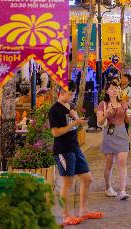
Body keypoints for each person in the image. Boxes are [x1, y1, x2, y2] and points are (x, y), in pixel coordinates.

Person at [49, 83, 104, 226]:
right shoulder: (54, 110)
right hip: (63, 150)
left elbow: (79, 125)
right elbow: (55, 132)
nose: (72, 95)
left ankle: (83, 210)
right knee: (68, 182)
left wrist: (77, 119)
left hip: (75, 148)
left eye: (73, 93)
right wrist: (74, 123)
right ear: (61, 92)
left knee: (87, 178)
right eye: (70, 92)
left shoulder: (71, 106)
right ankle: (65, 215)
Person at [97, 79, 131, 200]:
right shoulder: (103, 104)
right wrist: (107, 114)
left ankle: (122, 190)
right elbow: (99, 122)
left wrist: (128, 114)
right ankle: (108, 187)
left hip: (122, 132)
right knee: (109, 164)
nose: (114, 90)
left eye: (116, 88)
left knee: (122, 162)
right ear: (107, 91)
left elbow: (127, 121)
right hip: (109, 132)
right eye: (112, 88)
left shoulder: (123, 102)